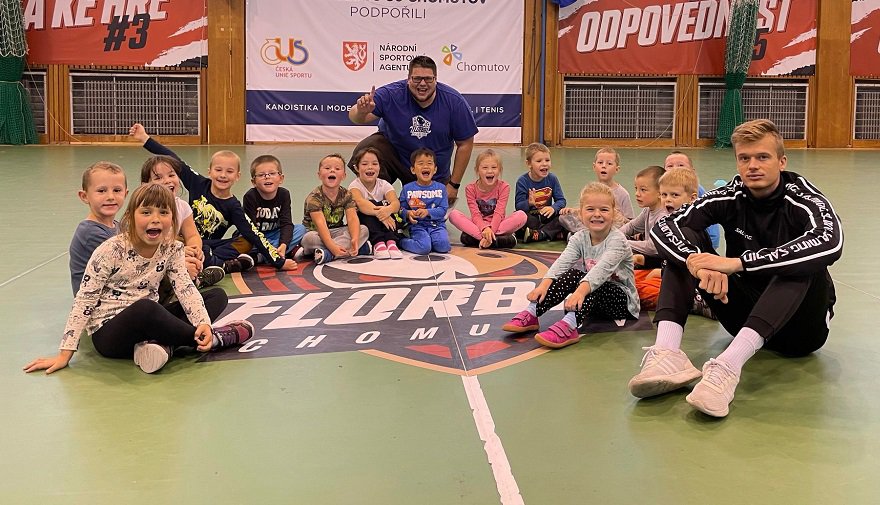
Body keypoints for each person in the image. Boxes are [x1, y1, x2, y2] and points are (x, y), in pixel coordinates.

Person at [629, 119, 843, 418]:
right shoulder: (731, 194)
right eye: (744, 158)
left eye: (762, 157)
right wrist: (697, 263)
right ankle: (667, 353)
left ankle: (727, 367)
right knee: (686, 240)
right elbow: (665, 226)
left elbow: (830, 241)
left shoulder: (803, 198)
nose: (752, 166)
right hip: (740, 315)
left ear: (782, 162)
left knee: (802, 263)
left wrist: (737, 263)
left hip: (800, 332)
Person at [24, 184, 251, 375]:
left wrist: (203, 322)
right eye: (146, 212)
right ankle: (214, 339)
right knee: (145, 308)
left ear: (173, 219)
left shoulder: (172, 249)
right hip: (110, 333)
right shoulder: (111, 250)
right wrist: (65, 354)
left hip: (151, 320)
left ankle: (163, 346)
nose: (155, 219)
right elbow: (84, 300)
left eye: (163, 213)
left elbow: (185, 289)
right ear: (130, 217)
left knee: (216, 296)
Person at [129, 123, 296, 274]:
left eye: (229, 172)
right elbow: (173, 159)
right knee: (183, 244)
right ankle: (221, 264)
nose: (223, 175)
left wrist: (279, 262)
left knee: (246, 240)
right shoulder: (198, 183)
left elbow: (253, 233)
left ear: (237, 176)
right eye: (218, 170)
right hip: (186, 239)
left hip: (210, 245)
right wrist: (144, 138)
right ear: (210, 172)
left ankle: (211, 260)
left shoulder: (233, 206)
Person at [502, 182, 639, 349]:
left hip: (621, 304)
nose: (597, 214)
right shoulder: (580, 237)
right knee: (573, 274)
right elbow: (562, 262)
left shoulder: (618, 240)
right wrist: (543, 285)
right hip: (590, 300)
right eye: (590, 209)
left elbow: (600, 272)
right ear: (580, 213)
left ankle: (570, 325)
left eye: (604, 210)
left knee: (595, 284)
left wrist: (580, 292)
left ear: (614, 213)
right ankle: (532, 312)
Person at [348, 55, 478, 205]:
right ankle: (377, 198)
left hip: (432, 168)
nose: (422, 84)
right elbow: (355, 117)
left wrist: (453, 185)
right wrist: (361, 111)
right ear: (408, 79)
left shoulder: (454, 102)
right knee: (369, 146)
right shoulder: (391, 94)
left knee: (429, 213)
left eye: (428, 79)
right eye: (417, 79)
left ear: (436, 79)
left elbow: (465, 143)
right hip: (398, 158)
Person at [140, 155, 225, 288]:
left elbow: (192, 235)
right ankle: (192, 281)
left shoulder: (182, 206)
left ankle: (193, 278)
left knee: (203, 250)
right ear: (145, 185)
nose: (167, 181)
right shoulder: (143, 210)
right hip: (152, 260)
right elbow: (148, 247)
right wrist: (179, 253)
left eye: (171, 175)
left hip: (175, 253)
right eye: (158, 178)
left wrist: (195, 250)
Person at [298, 154, 370, 265]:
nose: (332, 170)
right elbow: (320, 224)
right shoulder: (314, 198)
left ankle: (328, 254)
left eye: (337, 168)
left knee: (363, 229)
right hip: (317, 232)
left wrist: (355, 239)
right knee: (308, 239)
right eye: (327, 168)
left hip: (337, 231)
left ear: (344, 176)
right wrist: (332, 246)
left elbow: (352, 218)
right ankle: (355, 249)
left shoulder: (346, 195)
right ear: (319, 175)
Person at [69, 162, 127, 296]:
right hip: (100, 303)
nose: (110, 197)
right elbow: (128, 267)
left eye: (117, 190)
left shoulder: (118, 226)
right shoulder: (90, 233)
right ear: (84, 196)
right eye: (101, 191)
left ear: (125, 193)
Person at [234, 155, 306, 263]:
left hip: (275, 233)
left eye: (272, 173)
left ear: (281, 178)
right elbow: (250, 228)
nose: (267, 177)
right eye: (261, 175)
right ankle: (281, 252)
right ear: (253, 182)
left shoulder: (284, 194)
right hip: (256, 235)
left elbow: (286, 223)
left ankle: (262, 256)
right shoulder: (250, 196)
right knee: (242, 240)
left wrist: (283, 244)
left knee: (300, 229)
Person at [448, 149, 526, 249]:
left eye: (494, 167)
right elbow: (475, 214)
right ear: (477, 170)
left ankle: (480, 239)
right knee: (453, 214)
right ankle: (497, 240)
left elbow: (499, 213)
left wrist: (491, 230)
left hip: (499, 224)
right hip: (478, 225)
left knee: (521, 215)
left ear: (500, 170)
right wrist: (484, 228)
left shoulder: (504, 187)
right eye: (485, 167)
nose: (489, 171)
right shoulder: (470, 189)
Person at [560, 147, 633, 235]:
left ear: (616, 169)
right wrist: (574, 211)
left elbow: (630, 221)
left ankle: (586, 234)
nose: (604, 166)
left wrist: (617, 216)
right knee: (564, 217)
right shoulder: (590, 190)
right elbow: (585, 210)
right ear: (594, 167)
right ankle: (587, 233)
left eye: (609, 163)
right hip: (592, 221)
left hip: (610, 226)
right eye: (600, 162)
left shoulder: (623, 194)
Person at [348, 147, 403, 259]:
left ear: (379, 167)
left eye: (374, 164)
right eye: (364, 164)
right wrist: (382, 215)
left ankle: (391, 242)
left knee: (388, 207)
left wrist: (387, 210)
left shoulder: (384, 184)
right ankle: (378, 243)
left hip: (386, 224)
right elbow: (360, 202)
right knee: (368, 208)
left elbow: (395, 203)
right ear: (356, 168)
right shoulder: (354, 186)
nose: (370, 167)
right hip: (368, 224)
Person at [664, 151, 721, 249]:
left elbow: (713, 232)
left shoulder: (697, 191)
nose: (675, 169)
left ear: (692, 172)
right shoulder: (662, 190)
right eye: (670, 166)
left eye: (681, 165)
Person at [398, 148, 451, 255]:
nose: (425, 166)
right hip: (417, 226)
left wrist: (428, 212)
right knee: (424, 248)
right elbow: (400, 209)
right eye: (421, 163)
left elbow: (443, 210)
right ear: (413, 169)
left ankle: (431, 240)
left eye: (429, 163)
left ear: (435, 169)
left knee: (444, 247)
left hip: (437, 225)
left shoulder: (441, 188)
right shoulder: (407, 189)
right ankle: (400, 240)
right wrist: (408, 214)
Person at [515, 143, 567, 243]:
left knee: (564, 217)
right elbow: (518, 207)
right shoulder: (522, 181)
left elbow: (561, 200)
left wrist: (553, 208)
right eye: (539, 161)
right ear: (529, 164)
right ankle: (551, 233)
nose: (544, 164)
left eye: (547, 160)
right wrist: (529, 203)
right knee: (519, 217)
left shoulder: (552, 179)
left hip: (547, 216)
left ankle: (539, 234)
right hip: (531, 217)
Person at [618, 165, 667, 268]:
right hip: (648, 255)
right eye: (636, 189)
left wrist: (621, 242)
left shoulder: (663, 216)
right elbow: (632, 227)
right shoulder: (648, 210)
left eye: (643, 190)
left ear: (660, 193)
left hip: (659, 262)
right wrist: (614, 235)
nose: (637, 194)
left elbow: (652, 247)